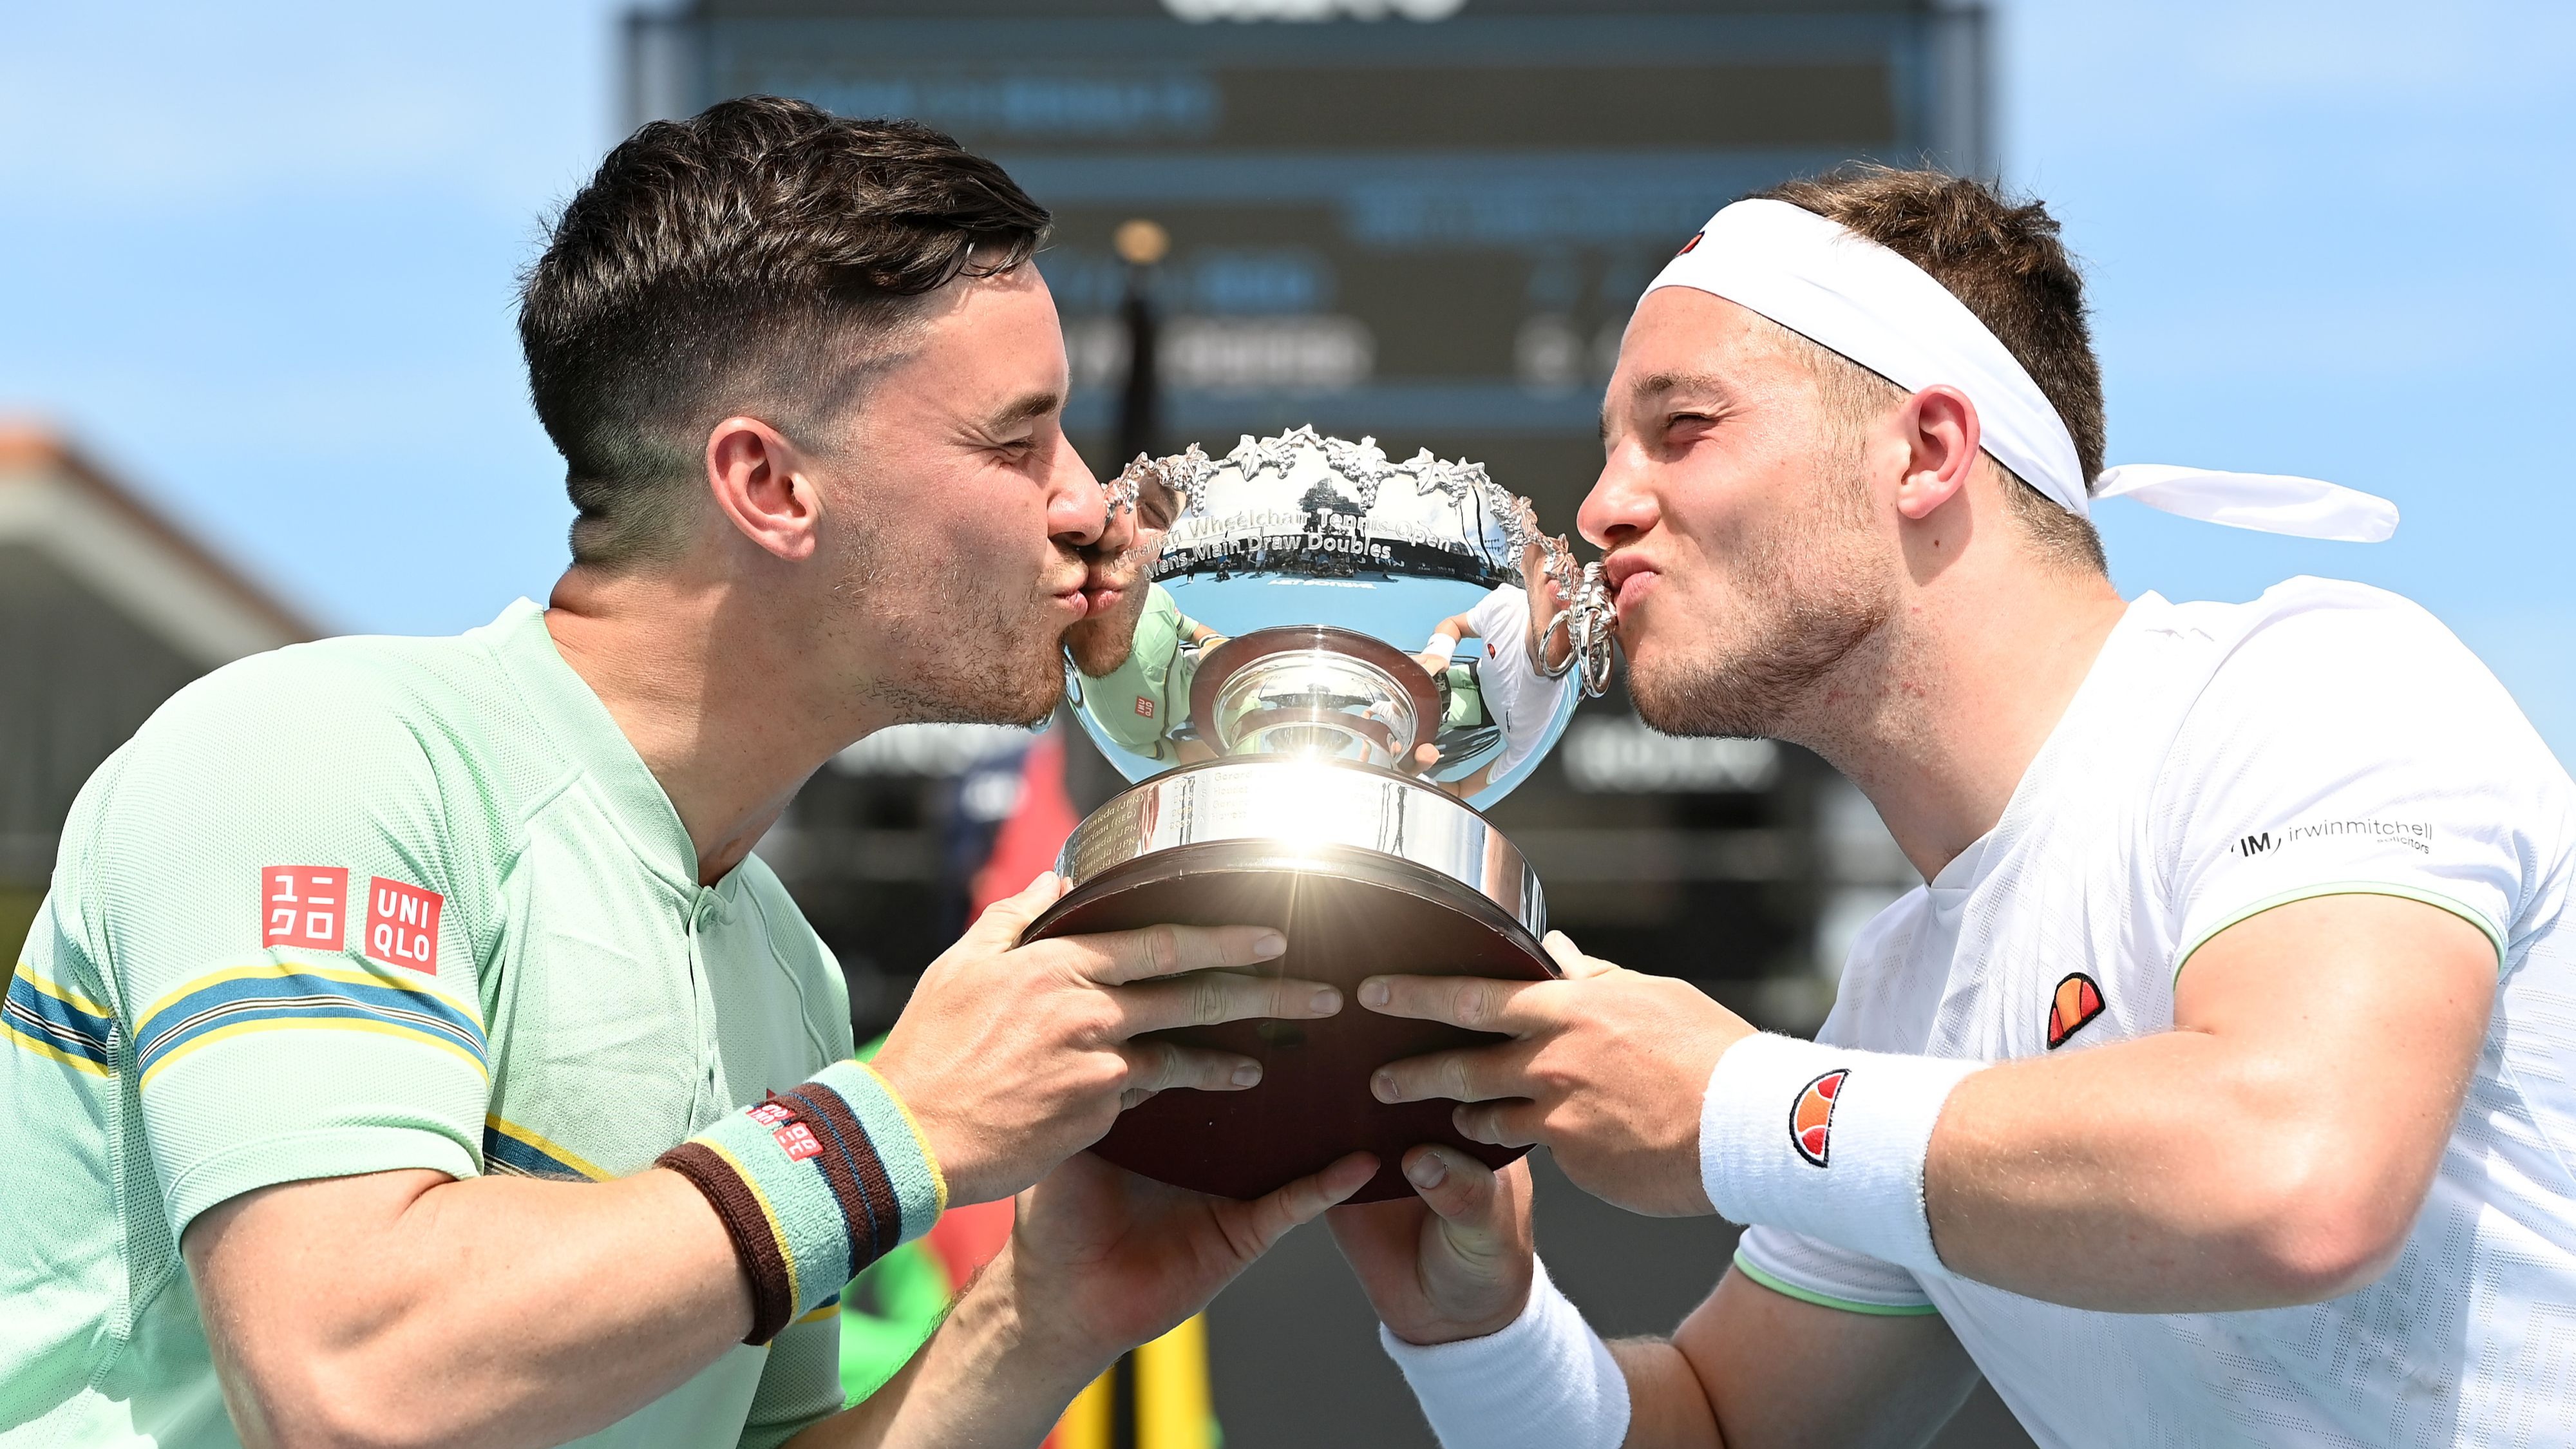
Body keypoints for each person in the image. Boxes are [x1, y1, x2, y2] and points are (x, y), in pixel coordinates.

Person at [0, 97, 1373, 1449]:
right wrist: (896, 1128)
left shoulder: (786, 968)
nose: (1086, 505)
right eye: (1015, 441)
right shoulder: (316, 754)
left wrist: (1041, 1316)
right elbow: (353, 1384)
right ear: (769, 486)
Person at [1330, 166, 2576, 1448]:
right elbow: (1715, 1429)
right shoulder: (1897, 1007)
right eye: (1610, 449)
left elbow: (2294, 1175)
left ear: (1925, 451)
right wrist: (1470, 1323)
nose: (1603, 506)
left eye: (1683, 425)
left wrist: (1736, 1108)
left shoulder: (2310, 685)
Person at [1066, 466, 1223, 765]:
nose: (1115, 524)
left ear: (1161, 550)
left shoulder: (1158, 600)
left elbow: (1190, 629)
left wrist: (1215, 642)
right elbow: (1177, 758)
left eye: (1152, 513)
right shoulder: (1126, 738)